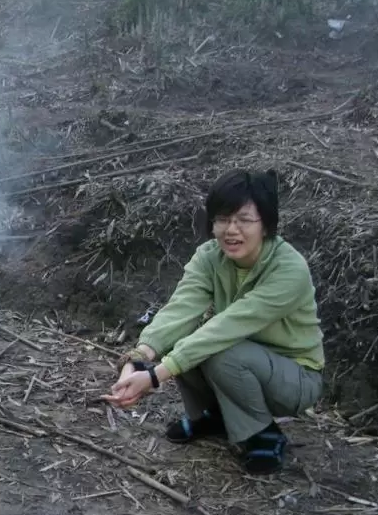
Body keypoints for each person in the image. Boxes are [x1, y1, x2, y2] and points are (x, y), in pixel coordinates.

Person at [103, 169, 325, 474]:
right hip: (240, 357)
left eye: (244, 220)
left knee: (217, 346)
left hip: (293, 378)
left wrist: (154, 377)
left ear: (266, 225)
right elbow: (180, 310)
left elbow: (229, 326)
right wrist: (140, 357)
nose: (231, 230)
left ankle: (263, 433)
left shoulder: (289, 269)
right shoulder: (210, 257)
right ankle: (215, 416)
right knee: (189, 335)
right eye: (222, 219)